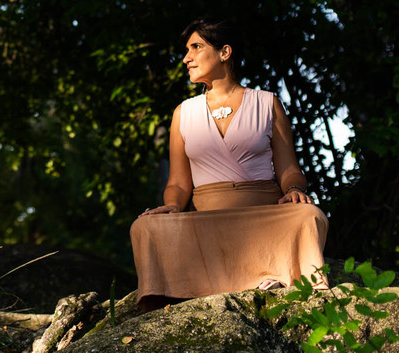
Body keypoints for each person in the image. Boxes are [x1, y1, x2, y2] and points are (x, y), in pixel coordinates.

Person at [129, 17, 329, 310]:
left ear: (224, 52)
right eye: (187, 50)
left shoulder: (267, 103)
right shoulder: (183, 113)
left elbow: (289, 169)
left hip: (262, 219)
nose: (186, 58)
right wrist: (172, 205)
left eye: (196, 47)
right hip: (207, 222)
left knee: (309, 216)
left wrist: (294, 190)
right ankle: (254, 274)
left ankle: (268, 272)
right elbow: (179, 183)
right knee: (143, 228)